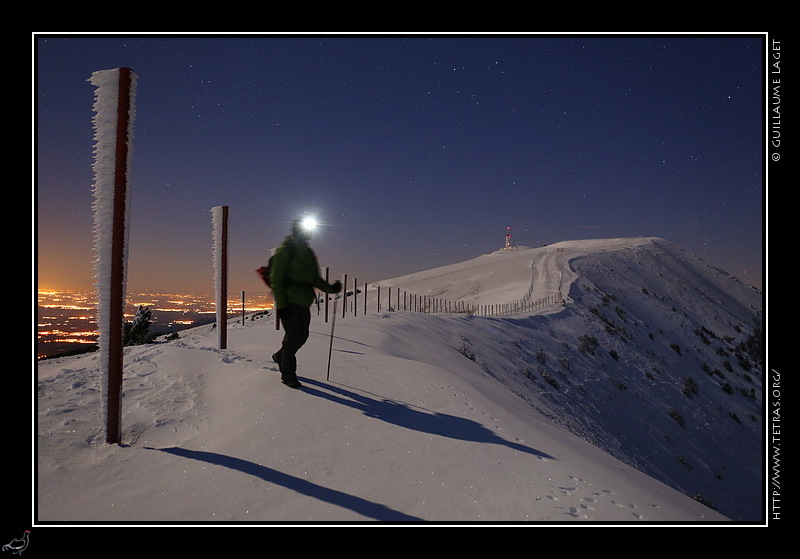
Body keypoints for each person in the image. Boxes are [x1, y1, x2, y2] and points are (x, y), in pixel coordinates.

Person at [270, 218, 342, 388]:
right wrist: (281, 305)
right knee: (293, 338)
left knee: (303, 336)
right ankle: (288, 376)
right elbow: (277, 279)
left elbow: (314, 279)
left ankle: (280, 356)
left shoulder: (308, 253)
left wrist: (331, 289)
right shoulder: (285, 251)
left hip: (304, 302)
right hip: (289, 301)